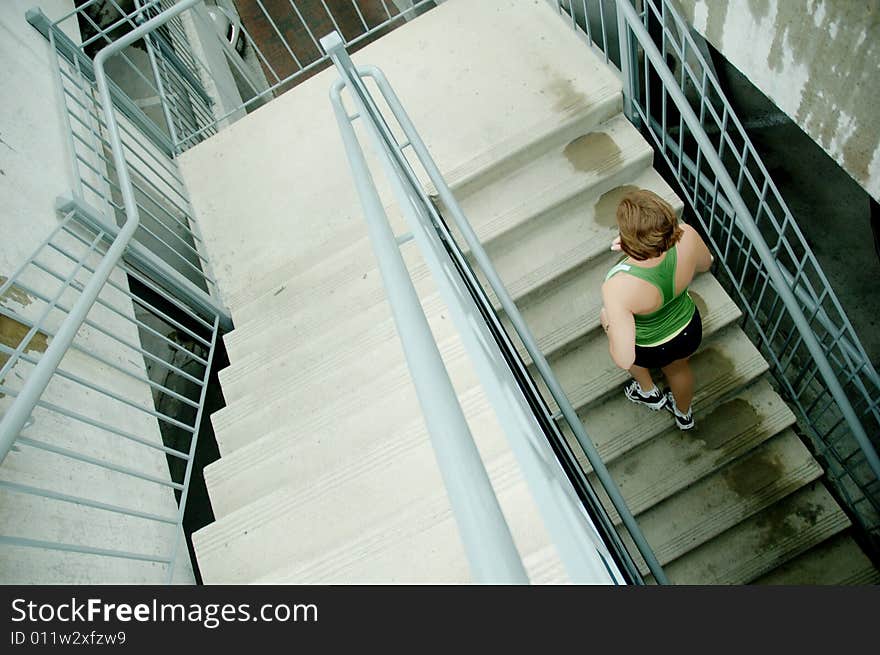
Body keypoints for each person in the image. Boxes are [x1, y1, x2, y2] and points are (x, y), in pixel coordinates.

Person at [599, 189, 713, 430]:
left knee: (610, 321)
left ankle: (648, 392)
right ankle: (684, 416)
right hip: (688, 328)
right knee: (679, 370)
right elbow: (706, 264)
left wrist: (609, 325)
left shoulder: (618, 286)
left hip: (652, 346)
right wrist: (639, 248)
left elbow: (624, 357)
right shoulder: (688, 236)